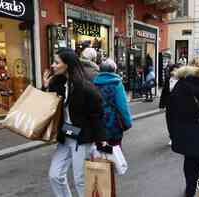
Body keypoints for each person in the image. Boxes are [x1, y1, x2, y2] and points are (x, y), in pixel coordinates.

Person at [43, 48, 107, 197]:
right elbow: (48, 106)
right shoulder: (57, 83)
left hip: (82, 138)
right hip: (66, 134)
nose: (52, 65)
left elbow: (97, 115)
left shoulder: (85, 88)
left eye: (56, 62)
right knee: (55, 175)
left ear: (67, 65)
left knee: (81, 180)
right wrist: (46, 87)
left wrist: (101, 140)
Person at [167, 57, 199, 197]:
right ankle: (191, 186)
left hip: (183, 131)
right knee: (195, 162)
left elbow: (171, 110)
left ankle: (190, 187)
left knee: (188, 161)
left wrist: (172, 132)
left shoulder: (181, 84)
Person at [93, 59, 133, 147]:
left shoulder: (94, 83)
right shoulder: (116, 83)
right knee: (115, 150)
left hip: (98, 122)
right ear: (114, 70)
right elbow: (122, 106)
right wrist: (128, 122)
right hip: (113, 122)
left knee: (99, 150)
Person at [159, 64, 182, 145]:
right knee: (169, 122)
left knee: (178, 122)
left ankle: (178, 137)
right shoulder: (168, 79)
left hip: (179, 105)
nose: (174, 72)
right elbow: (164, 92)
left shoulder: (182, 80)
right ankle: (172, 137)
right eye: (173, 70)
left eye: (176, 70)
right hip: (169, 105)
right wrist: (162, 104)